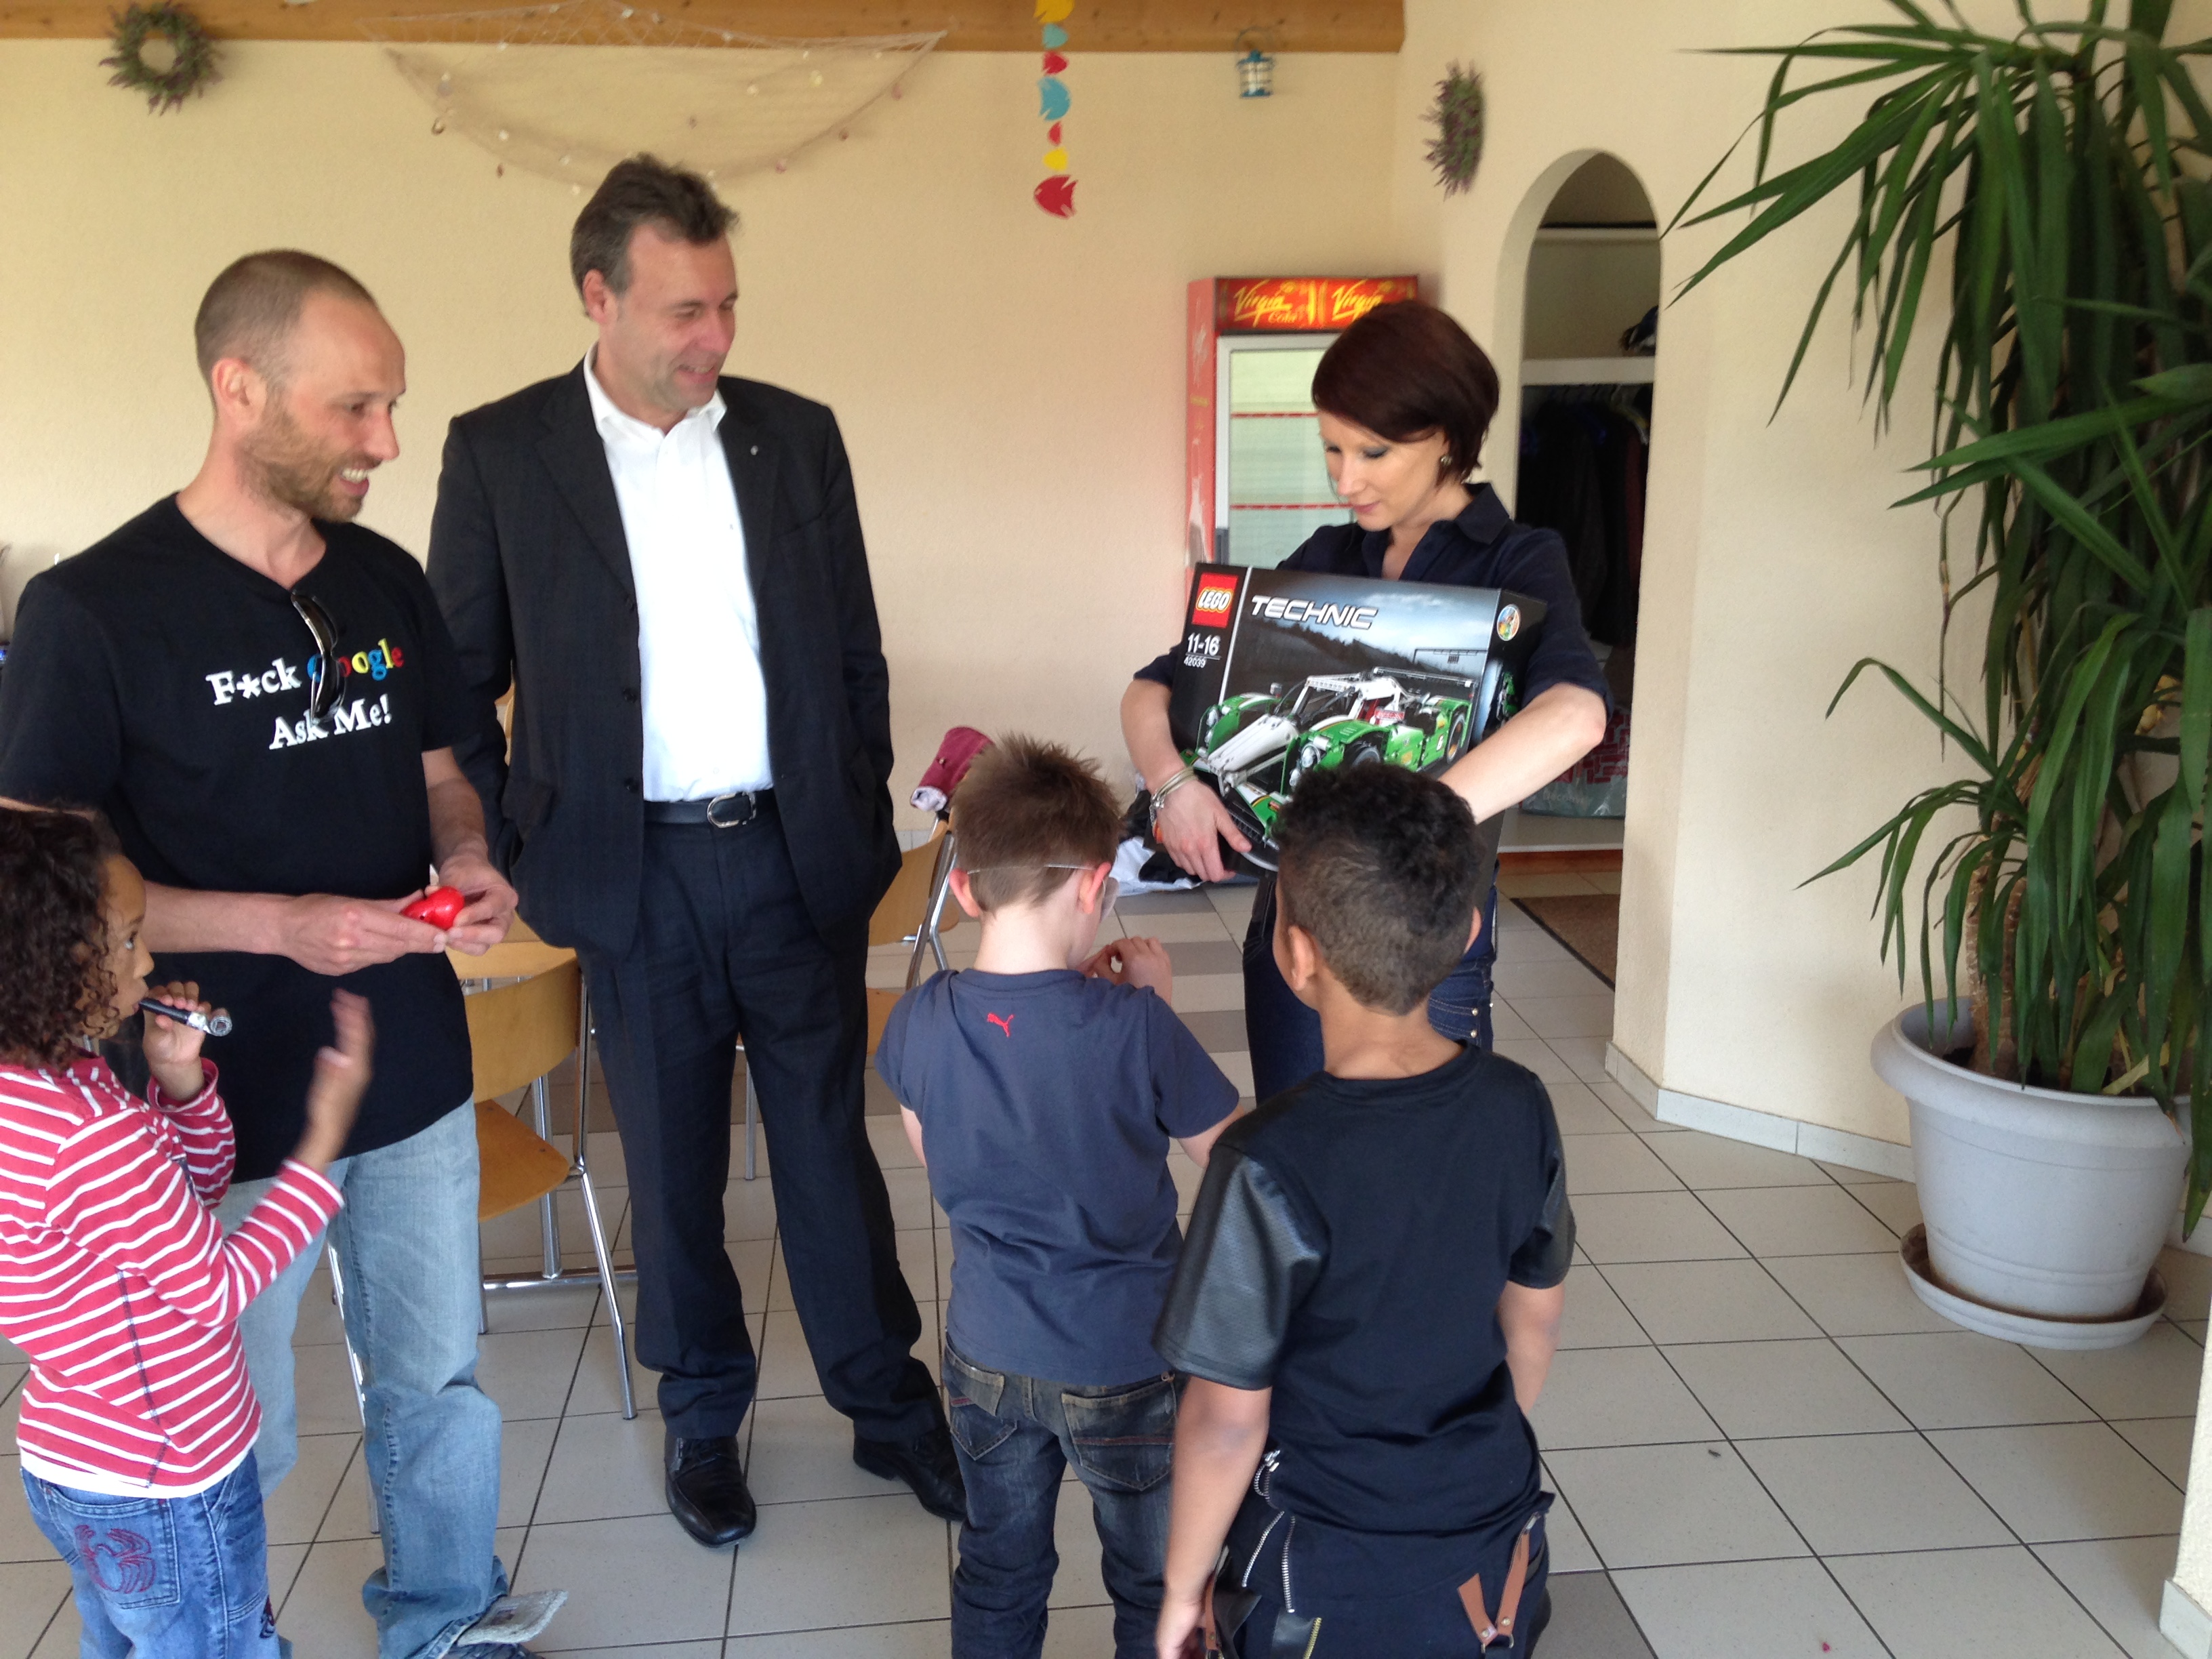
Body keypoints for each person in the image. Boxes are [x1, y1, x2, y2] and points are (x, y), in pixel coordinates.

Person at [0, 251, 561, 1659]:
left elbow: (442, 770)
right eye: (354, 407)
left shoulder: (384, 579)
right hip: (206, 1088)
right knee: (230, 1409)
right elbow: (40, 887)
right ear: (238, 388)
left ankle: (446, 1618)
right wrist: (281, 923)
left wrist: (467, 854)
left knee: (436, 1376)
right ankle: (220, 1631)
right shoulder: (91, 611)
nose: (386, 440)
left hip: (409, 1054)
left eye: (392, 404)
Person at [426, 153, 959, 1548]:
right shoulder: (502, 452)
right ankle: (704, 1416)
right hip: (632, 872)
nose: (714, 336)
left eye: (726, 304)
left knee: (827, 1147)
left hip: (790, 856)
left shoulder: (795, 435)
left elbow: (852, 649)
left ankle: (886, 1402)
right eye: (683, 311)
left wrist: (850, 796)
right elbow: (455, 681)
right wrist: (516, 836)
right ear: (597, 297)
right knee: (670, 1164)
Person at [1121, 299, 1611, 1099]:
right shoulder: (1328, 554)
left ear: (1447, 436)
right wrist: (1172, 785)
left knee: (1419, 1162)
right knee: (1298, 1139)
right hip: (1296, 936)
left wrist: (1400, 829)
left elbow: (1576, 716)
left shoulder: (1519, 560)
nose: (1345, 480)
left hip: (1424, 950)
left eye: (1373, 451)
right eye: (1332, 448)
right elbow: (1153, 687)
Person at [1151, 764, 1574, 1657]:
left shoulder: (1265, 1161)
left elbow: (1227, 1420)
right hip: (1495, 1544)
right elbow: (1534, 1319)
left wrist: (1184, 1591)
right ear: (1468, 933)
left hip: (1327, 1578)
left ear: (1296, 955)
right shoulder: (1521, 1105)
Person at [876, 736, 1241, 1659]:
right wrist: (1154, 1007)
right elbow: (1240, 1165)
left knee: (999, 1570)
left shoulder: (919, 1017)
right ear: (1094, 887)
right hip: (1126, 1359)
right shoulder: (1136, 1028)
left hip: (987, 1354)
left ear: (966, 892)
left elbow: (939, 1154)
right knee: (1152, 1581)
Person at [0, 804, 370, 1659]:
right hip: (169, 1475)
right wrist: (320, 1147)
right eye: (128, 941)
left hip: (73, 1464)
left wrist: (180, 1086)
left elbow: (181, 1204)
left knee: (122, 1645)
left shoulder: (50, 1088)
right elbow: (214, 1288)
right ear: (51, 960)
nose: (148, 963)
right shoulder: (91, 1133)